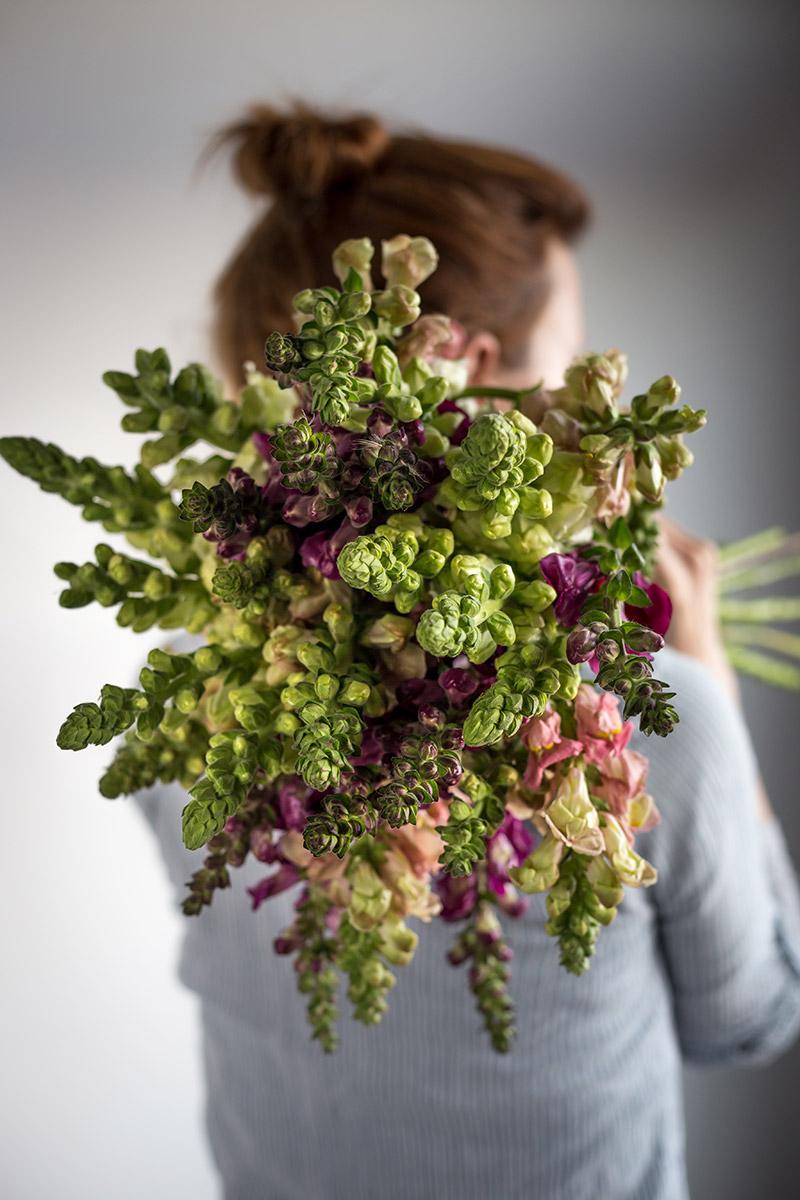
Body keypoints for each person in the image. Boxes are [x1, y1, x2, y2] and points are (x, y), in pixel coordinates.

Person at [135, 104, 800, 1200]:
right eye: (574, 356)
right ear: (470, 372)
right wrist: (711, 677)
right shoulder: (646, 723)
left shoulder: (185, 698)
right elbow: (756, 1017)